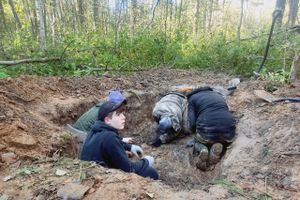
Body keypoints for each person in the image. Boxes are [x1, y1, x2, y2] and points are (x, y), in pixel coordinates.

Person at [80, 101, 159, 180]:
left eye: (122, 113)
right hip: (102, 179)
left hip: (88, 172)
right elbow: (129, 168)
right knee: (151, 173)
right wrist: (146, 161)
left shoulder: (96, 130)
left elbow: (114, 142)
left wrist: (130, 147)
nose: (123, 117)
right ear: (107, 120)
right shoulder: (110, 137)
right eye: (118, 114)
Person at [187, 86, 236, 171]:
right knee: (222, 135)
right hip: (228, 129)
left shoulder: (192, 98)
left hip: (207, 129)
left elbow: (191, 121)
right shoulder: (218, 95)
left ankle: (202, 148)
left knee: (197, 140)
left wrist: (193, 131)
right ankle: (220, 144)